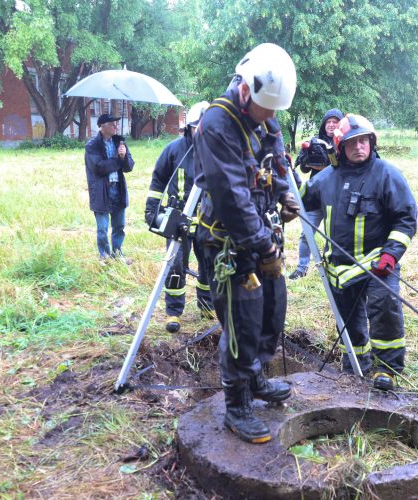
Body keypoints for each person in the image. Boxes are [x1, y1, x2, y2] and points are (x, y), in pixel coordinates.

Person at [194, 43, 299, 443]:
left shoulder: (266, 120)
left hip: (262, 233)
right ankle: (237, 405)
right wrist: (265, 248)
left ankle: (256, 378)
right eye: (266, 109)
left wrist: (287, 192)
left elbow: (277, 159)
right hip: (228, 243)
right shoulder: (216, 125)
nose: (272, 118)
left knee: (273, 311)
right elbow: (231, 198)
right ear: (244, 92)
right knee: (243, 322)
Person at [301, 114, 417, 391]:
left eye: (364, 140)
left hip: (378, 262)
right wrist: (295, 169)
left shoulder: (387, 174)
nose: (359, 147)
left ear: (372, 142)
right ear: (340, 147)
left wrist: (391, 254)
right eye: (352, 142)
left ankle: (386, 369)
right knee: (348, 319)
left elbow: (406, 219)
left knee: (384, 309)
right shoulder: (326, 178)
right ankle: (355, 364)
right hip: (339, 267)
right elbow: (297, 199)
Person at [144, 101, 215, 333]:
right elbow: (158, 180)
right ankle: (174, 312)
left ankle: (207, 305)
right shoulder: (174, 150)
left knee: (208, 266)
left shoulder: (217, 153)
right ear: (189, 128)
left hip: (208, 222)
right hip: (178, 220)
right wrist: (152, 207)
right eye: (198, 128)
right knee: (175, 266)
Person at [289, 108, 343, 279]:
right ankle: (302, 267)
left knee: (335, 235)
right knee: (306, 233)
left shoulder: (345, 144)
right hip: (315, 194)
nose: (331, 125)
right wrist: (306, 158)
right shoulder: (315, 142)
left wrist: (326, 165)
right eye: (328, 122)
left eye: (335, 121)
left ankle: (333, 269)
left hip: (337, 196)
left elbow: (341, 169)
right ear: (324, 125)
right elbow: (304, 169)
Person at [84, 113, 135, 262]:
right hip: (101, 192)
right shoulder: (92, 145)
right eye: (112, 124)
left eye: (116, 124)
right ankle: (105, 256)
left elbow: (129, 167)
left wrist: (124, 157)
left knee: (119, 226)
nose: (116, 126)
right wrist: (118, 160)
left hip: (118, 189)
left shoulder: (120, 143)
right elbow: (99, 168)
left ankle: (118, 254)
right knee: (102, 228)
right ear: (102, 126)